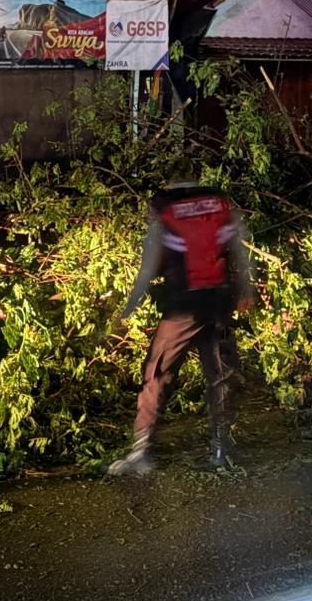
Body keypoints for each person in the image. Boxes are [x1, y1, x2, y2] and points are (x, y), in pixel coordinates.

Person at [108, 170, 255, 476]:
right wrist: (246, 291)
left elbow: (150, 262)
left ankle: (141, 453)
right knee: (220, 374)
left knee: (157, 370)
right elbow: (239, 250)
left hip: (183, 308)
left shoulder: (166, 206)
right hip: (218, 302)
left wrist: (129, 306)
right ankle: (222, 449)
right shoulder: (218, 202)